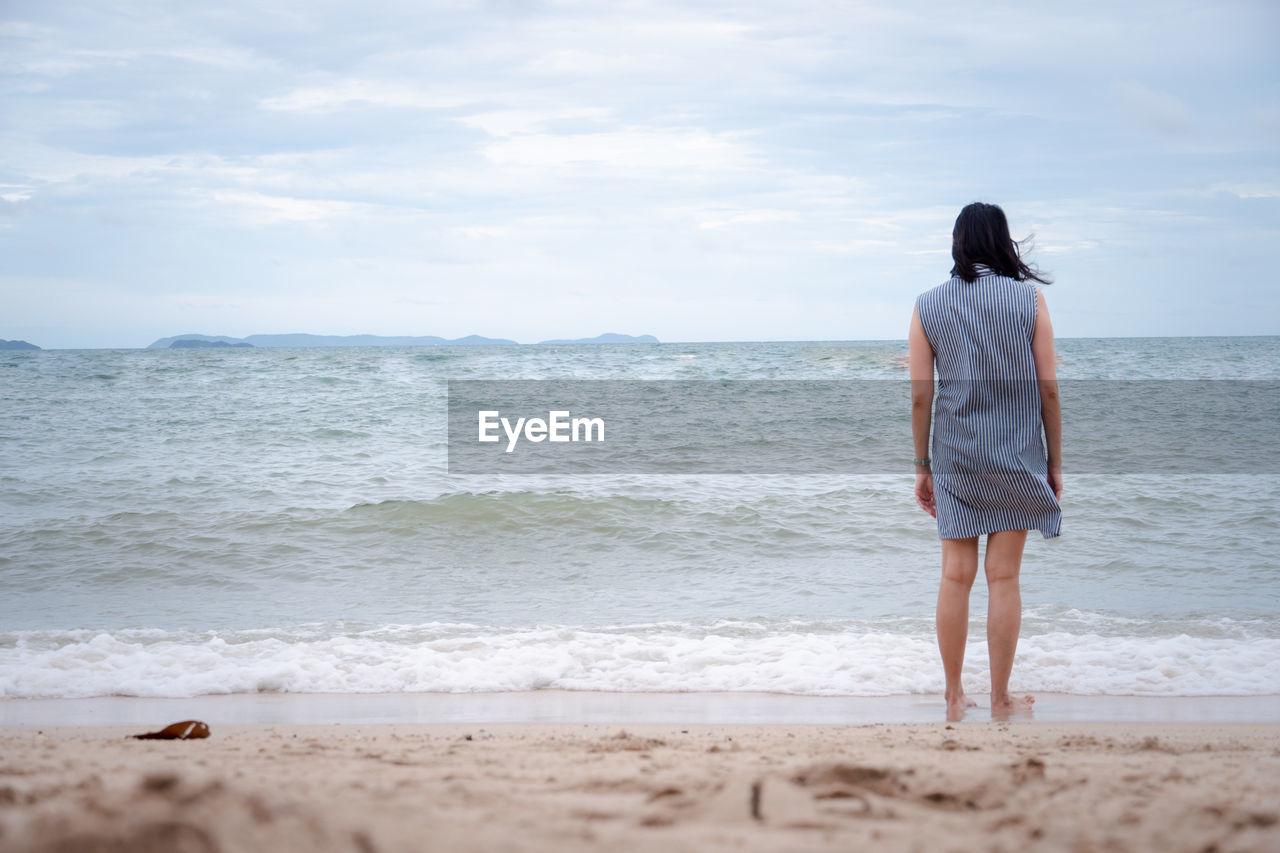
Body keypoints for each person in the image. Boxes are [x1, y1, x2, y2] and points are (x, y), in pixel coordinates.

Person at [907, 202, 1063, 721]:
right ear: (1002, 242)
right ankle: (999, 699)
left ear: (957, 243)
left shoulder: (928, 305)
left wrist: (922, 464)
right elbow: (1048, 391)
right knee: (1004, 578)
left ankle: (953, 696)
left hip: (956, 458)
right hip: (1017, 456)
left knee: (955, 575)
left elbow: (920, 398)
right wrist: (1055, 464)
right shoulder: (1028, 301)